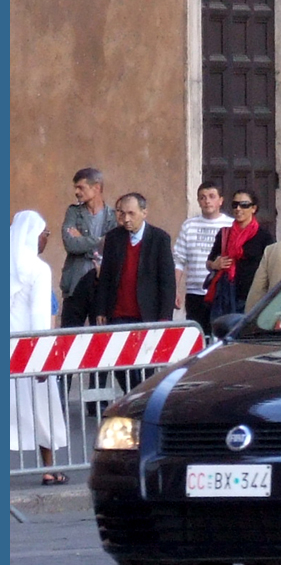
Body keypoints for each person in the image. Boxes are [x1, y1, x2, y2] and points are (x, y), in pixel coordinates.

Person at [11, 211, 69, 484]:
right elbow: (40, 318)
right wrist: (44, 356)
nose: (47, 238)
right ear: (35, 235)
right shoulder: (38, 269)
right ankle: (48, 468)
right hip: (30, 351)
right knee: (42, 409)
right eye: (45, 233)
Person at [95, 193, 177, 325]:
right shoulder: (113, 238)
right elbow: (106, 277)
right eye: (122, 213)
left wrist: (165, 317)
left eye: (131, 213)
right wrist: (101, 310)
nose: (126, 219)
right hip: (117, 315)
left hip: (148, 315)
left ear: (144, 213)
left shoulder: (159, 239)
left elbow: (167, 281)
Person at [172, 181, 234, 336]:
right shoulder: (189, 225)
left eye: (212, 196)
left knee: (221, 335)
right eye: (202, 197)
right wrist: (175, 290)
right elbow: (179, 260)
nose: (207, 201)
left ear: (220, 200)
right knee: (196, 336)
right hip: (195, 293)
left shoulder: (230, 225)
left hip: (221, 292)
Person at [205, 188, 275, 315]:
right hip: (225, 296)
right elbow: (209, 262)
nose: (238, 209)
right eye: (235, 205)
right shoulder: (224, 233)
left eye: (244, 205)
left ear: (253, 208)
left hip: (252, 298)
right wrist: (215, 265)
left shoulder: (264, 236)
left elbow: (271, 267)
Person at [60, 167, 117, 299]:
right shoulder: (73, 212)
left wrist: (83, 239)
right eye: (75, 187)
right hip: (74, 283)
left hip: (103, 283)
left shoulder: (113, 216)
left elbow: (113, 248)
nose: (76, 192)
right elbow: (70, 244)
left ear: (96, 187)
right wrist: (100, 241)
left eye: (81, 187)